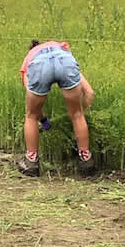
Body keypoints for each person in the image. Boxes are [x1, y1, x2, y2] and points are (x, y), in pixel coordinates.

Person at [18, 40, 94, 178]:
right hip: (64, 63)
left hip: (40, 67)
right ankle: (85, 159)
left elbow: (34, 110)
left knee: (30, 116)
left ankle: (31, 161)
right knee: (77, 115)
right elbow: (89, 93)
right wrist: (84, 113)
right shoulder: (62, 49)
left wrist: (44, 121)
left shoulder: (29, 60)